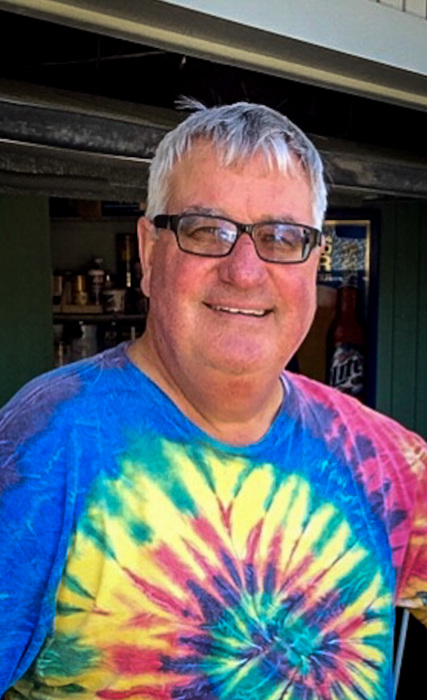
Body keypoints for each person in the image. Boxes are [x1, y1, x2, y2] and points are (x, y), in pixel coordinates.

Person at [1, 101, 426, 699]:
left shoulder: (384, 459)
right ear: (150, 252)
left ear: (313, 262)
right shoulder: (45, 448)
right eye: (208, 230)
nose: (245, 271)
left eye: (282, 237)